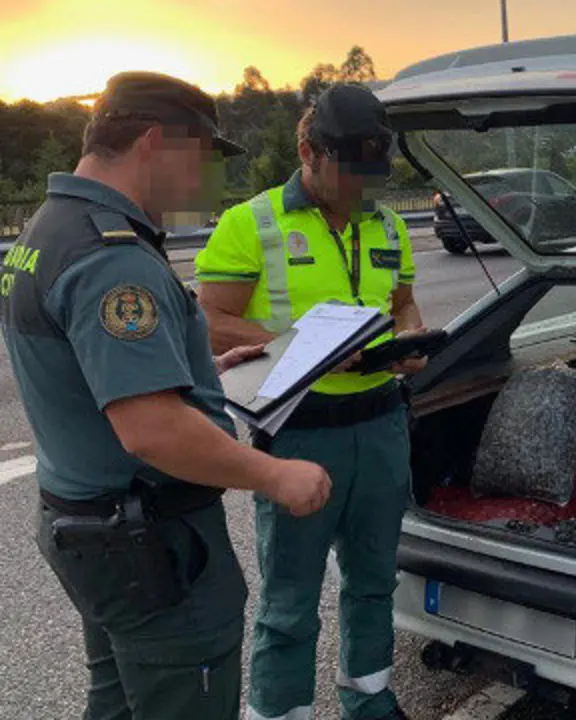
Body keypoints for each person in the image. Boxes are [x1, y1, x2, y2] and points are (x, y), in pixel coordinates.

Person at [0, 71, 332, 720]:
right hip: (151, 546)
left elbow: (86, 366)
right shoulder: (110, 254)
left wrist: (198, 359)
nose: (205, 180)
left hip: (91, 530)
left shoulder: (48, 232)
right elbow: (152, 429)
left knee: (120, 701)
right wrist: (275, 476)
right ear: (156, 142)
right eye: (203, 158)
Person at [195, 83, 427, 720]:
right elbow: (209, 319)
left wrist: (409, 335)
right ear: (308, 151)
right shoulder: (253, 222)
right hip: (299, 430)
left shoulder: (387, 221)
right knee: (291, 600)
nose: (363, 188)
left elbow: (401, 302)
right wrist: (301, 347)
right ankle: (278, 712)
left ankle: (371, 698)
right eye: (351, 173)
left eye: (373, 174)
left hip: (381, 423)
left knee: (375, 579)